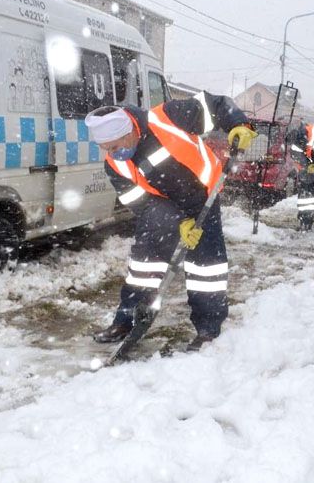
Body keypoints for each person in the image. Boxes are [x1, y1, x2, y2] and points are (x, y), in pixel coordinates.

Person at [84, 92, 256, 351]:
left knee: (206, 268)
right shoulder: (114, 166)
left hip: (202, 200)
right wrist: (177, 222)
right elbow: (140, 203)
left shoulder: (169, 117)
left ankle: (208, 328)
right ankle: (126, 320)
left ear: (129, 128)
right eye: (106, 149)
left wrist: (239, 125)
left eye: (116, 146)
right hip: (159, 211)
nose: (113, 154)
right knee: (143, 267)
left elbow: (216, 105)